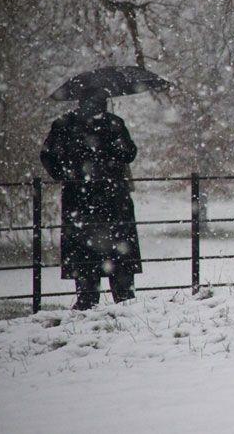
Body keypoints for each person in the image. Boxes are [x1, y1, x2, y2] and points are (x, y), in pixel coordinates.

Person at [40, 90, 142, 310]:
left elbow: (48, 156)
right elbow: (129, 153)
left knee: (85, 259)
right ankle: (123, 301)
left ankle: (88, 300)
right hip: (113, 199)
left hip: (79, 200)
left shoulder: (65, 124)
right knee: (119, 259)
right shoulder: (113, 124)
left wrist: (67, 175)